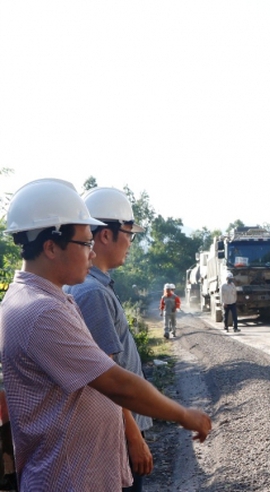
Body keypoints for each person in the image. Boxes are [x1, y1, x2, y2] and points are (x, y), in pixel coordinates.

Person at [0, 179, 211, 491]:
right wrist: (182, 414)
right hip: (68, 480)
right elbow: (116, 383)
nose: (91, 252)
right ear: (51, 247)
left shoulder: (43, 298)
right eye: (85, 243)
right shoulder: (42, 311)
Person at [63, 187, 152, 492]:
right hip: (117, 440)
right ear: (105, 235)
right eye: (128, 232)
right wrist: (134, 438)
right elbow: (107, 380)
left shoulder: (90, 287)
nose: (130, 242)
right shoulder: (93, 293)